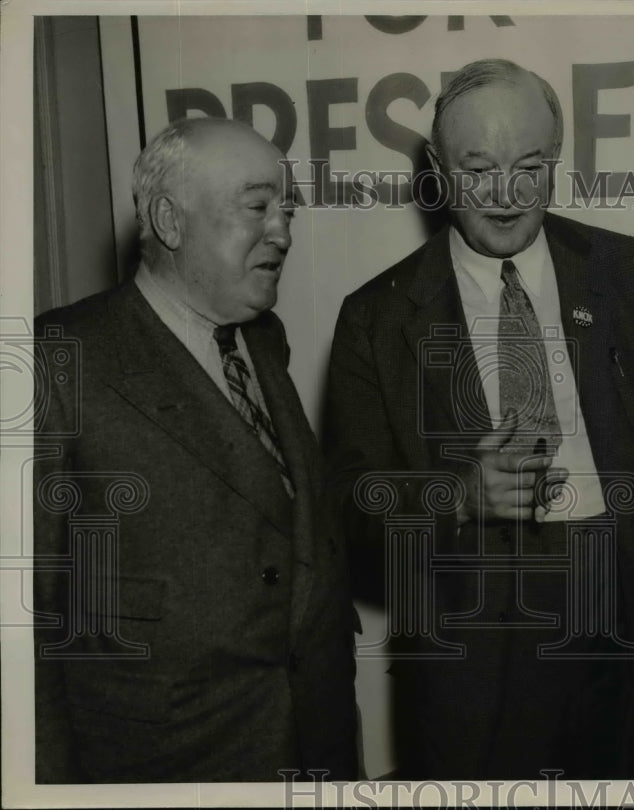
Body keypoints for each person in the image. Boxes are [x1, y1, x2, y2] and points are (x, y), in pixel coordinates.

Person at [325, 58, 634, 779]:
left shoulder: (620, 270)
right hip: (478, 660)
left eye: (529, 166)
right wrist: (458, 493)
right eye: (478, 171)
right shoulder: (375, 318)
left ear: (557, 160)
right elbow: (348, 507)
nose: (505, 194)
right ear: (437, 169)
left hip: (629, 638)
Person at [33, 117, 357, 782]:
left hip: (313, 745)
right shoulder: (55, 360)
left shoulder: (262, 340)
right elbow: (23, 619)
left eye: (287, 210)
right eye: (258, 206)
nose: (284, 232)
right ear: (170, 221)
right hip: (171, 764)